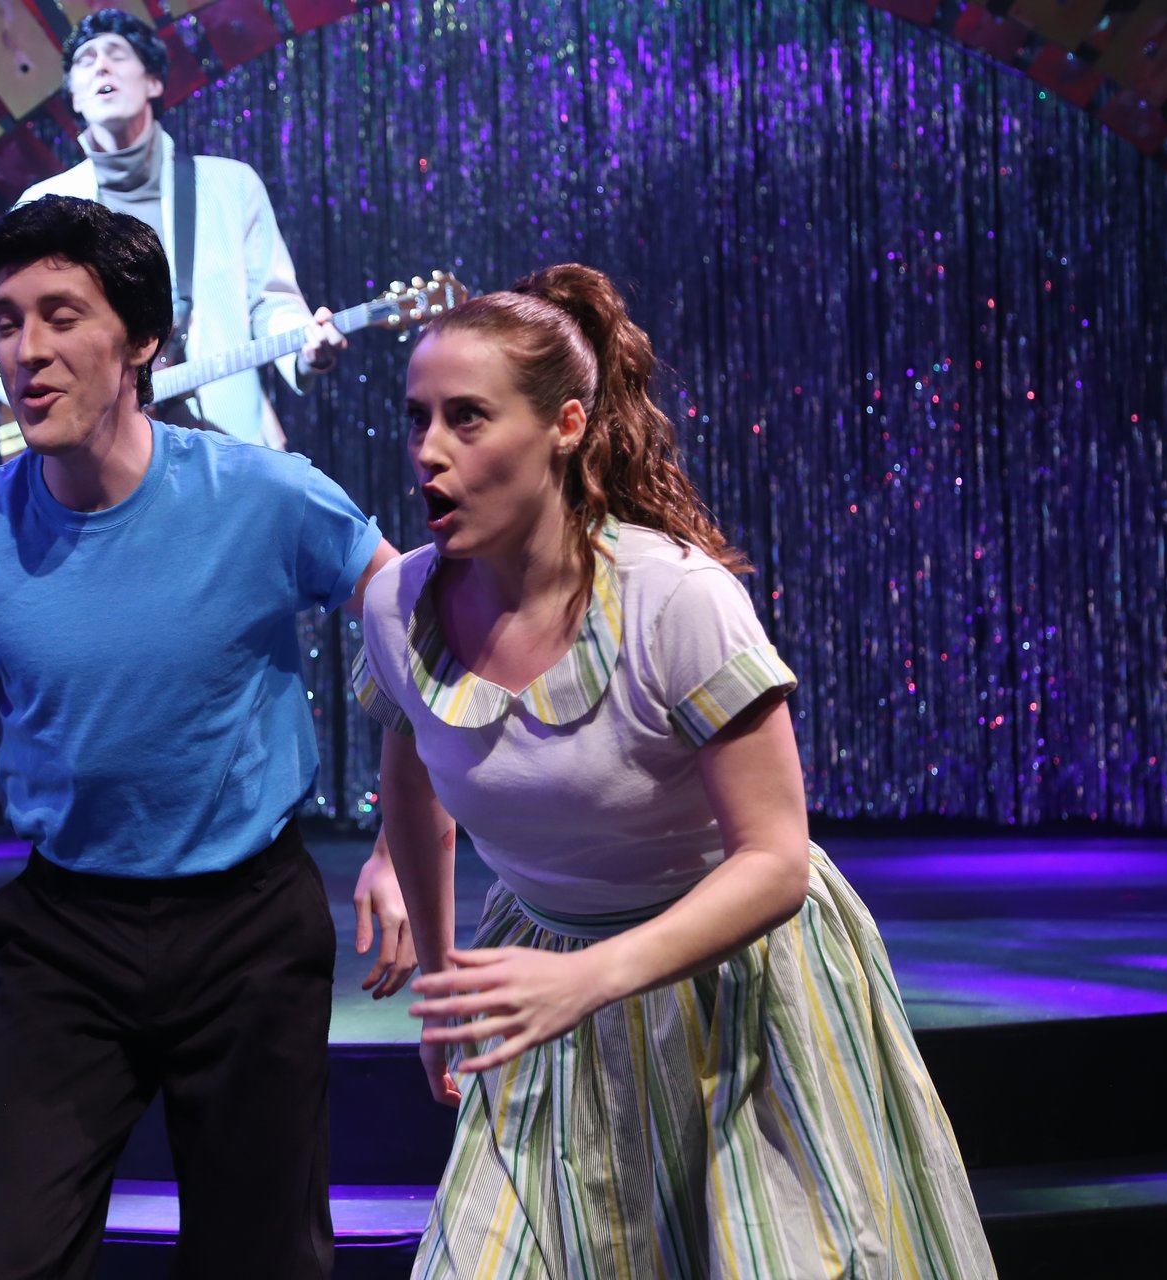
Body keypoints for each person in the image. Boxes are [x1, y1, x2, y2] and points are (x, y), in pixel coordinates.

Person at [352, 264, 998, 1277]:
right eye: (418, 418)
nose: (429, 450)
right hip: (545, 984)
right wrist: (442, 981)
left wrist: (590, 977)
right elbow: (411, 772)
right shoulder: (399, 606)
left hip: (736, 990)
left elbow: (775, 861)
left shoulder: (675, 600)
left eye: (467, 418)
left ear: (565, 426)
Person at [0, 195, 411, 1279]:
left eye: (61, 315)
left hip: (249, 928)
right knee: (3, 1260)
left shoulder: (264, 496)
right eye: (5, 321)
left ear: (143, 340)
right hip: (66, 937)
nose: (27, 349)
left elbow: (415, 637)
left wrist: (400, 848)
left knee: (261, 1263)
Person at [0, 8, 343, 448]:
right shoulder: (45, 202)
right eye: (86, 60)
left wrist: (305, 351)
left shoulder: (231, 185)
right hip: (102, 454)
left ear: (154, 83)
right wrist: (50, 395)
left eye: (117, 54)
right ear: (75, 98)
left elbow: (269, 302)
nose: (101, 67)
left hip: (231, 444)